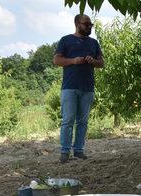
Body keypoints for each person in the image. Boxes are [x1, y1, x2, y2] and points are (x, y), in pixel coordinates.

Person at [53, 14, 104, 163]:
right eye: (86, 24)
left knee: (83, 121)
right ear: (77, 23)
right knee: (68, 120)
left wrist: (93, 61)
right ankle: (64, 152)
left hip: (88, 87)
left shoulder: (94, 43)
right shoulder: (66, 40)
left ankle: (79, 151)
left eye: (90, 25)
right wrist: (73, 61)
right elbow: (56, 60)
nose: (89, 27)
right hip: (69, 87)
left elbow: (102, 63)